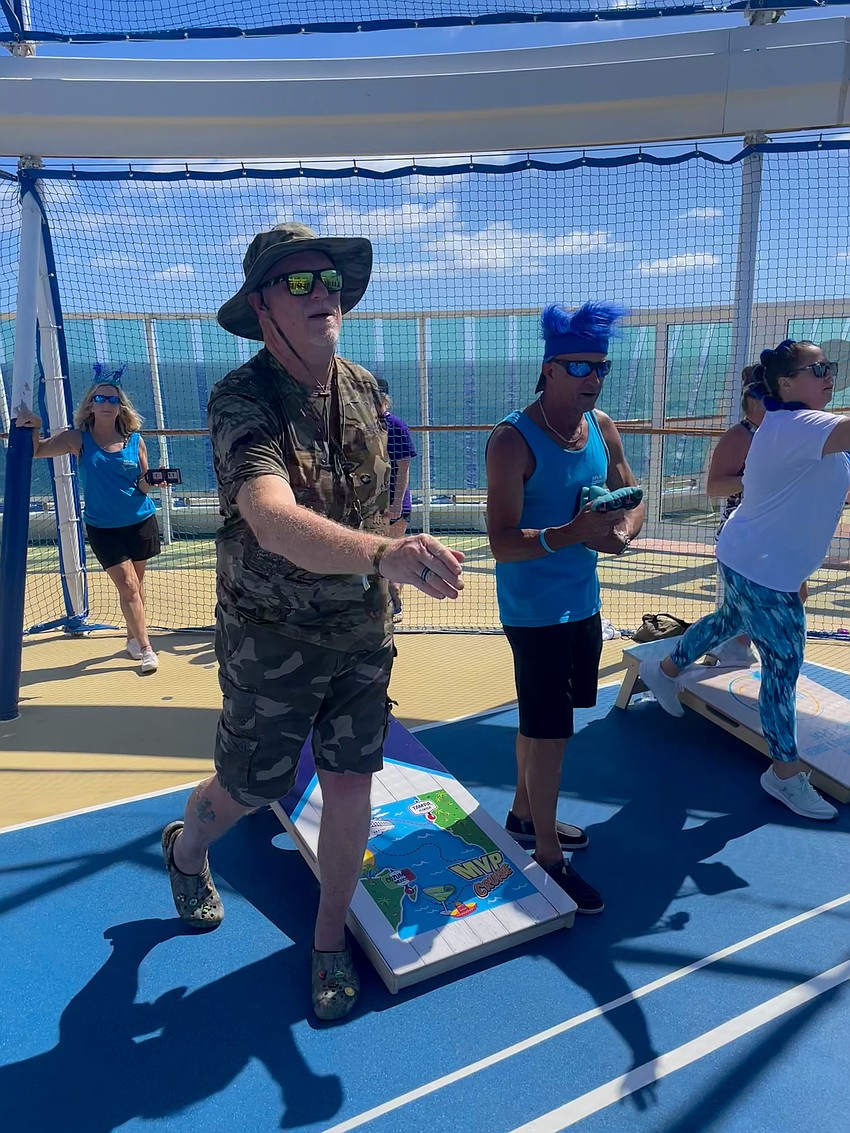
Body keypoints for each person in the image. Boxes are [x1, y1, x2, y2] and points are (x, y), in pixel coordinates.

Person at [159, 222, 464, 1022]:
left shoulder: (367, 388)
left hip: (363, 632)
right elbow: (267, 515)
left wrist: (402, 545)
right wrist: (384, 554)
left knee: (351, 781)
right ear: (261, 306)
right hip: (273, 636)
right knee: (250, 787)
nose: (321, 292)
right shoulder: (240, 400)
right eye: (297, 283)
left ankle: (329, 940)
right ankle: (187, 848)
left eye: (327, 278)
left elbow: (381, 496)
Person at [640, 338, 850, 821]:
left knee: (727, 619)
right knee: (783, 670)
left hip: (749, 556)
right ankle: (783, 774)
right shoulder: (799, 424)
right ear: (786, 384)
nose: (828, 376)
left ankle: (666, 670)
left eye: (829, 368)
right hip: (765, 571)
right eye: (817, 369)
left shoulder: (803, 427)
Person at [486, 301, 645, 914]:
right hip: (532, 612)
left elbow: (635, 494)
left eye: (599, 365)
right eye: (577, 365)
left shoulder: (601, 427)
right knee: (552, 735)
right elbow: (500, 540)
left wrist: (622, 533)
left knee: (545, 722)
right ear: (548, 369)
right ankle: (548, 856)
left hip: (584, 603)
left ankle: (524, 815)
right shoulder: (512, 440)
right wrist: (569, 533)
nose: (591, 377)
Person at [17, 365, 162, 674]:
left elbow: (141, 482)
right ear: (90, 405)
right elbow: (38, 451)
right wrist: (35, 426)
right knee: (129, 587)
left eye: (112, 399)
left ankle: (133, 638)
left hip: (140, 520)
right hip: (103, 528)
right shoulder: (77, 439)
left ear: (120, 406)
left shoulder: (135, 440)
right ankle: (148, 649)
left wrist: (153, 483)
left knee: (136, 585)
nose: (107, 404)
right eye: (100, 399)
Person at [704, 371, 768, 668]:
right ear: (753, 399)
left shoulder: (778, 433)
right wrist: (754, 478)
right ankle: (678, 661)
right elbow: (714, 487)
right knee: (744, 606)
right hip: (744, 535)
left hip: (772, 533)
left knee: (793, 593)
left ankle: (736, 644)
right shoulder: (740, 435)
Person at [375, 376, 417, 622]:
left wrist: (397, 504)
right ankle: (382, 605)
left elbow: (403, 466)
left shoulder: (396, 426)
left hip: (393, 504)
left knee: (391, 552)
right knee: (376, 556)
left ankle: (396, 603)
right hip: (371, 505)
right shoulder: (363, 427)